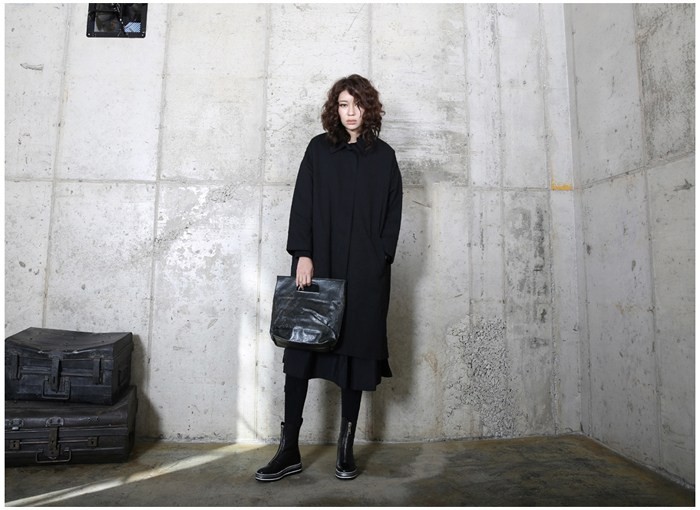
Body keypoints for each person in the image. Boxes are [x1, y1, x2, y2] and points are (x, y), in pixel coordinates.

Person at [256, 74, 403, 482]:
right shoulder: (318, 150)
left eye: (357, 104)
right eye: (343, 104)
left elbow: (393, 214)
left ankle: (345, 448)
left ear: (369, 108)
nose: (350, 112)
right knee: (300, 355)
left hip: (365, 276)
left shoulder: (384, 157)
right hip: (319, 267)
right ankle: (289, 449)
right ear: (334, 109)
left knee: (354, 357)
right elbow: (302, 203)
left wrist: (380, 257)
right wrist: (302, 255)